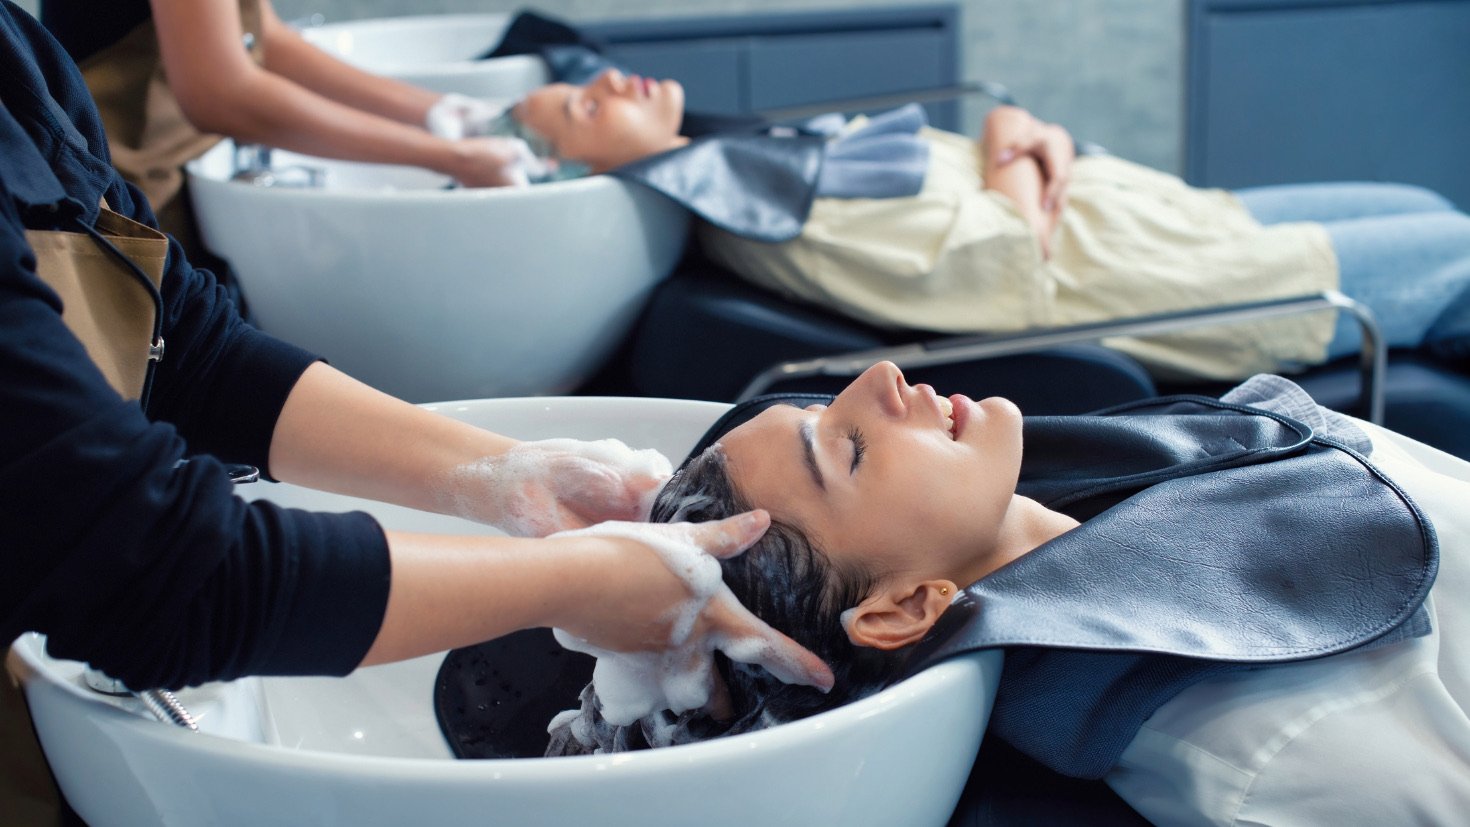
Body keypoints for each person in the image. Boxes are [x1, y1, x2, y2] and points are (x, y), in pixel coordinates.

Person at [0, 5, 831, 823]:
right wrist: (577, 581)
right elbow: (153, 570)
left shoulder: (18, 58)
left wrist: (510, 473)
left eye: (840, 447)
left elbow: (193, 350)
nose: (880, 384)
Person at [542, 360, 1470, 824]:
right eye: (850, 453)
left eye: (827, 414)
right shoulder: (1269, 744)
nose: (878, 380)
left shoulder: (1112, 478)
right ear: (904, 607)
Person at [509, 68, 1470, 382]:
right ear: (573, 170)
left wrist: (1013, 146)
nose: (608, 80)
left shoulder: (754, 156)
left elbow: (988, 136)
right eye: (584, 109)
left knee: (1425, 212)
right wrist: (1018, 154)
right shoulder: (762, 213)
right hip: (1165, 270)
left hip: (1157, 214)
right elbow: (1000, 269)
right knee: (1455, 248)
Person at [39, 0, 528, 260]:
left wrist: (439, 112)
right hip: (122, 190)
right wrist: (447, 157)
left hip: (174, 177)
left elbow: (263, 38)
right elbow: (219, 93)